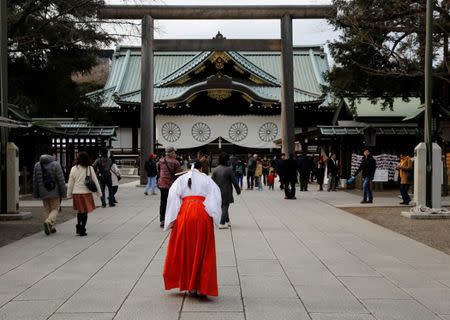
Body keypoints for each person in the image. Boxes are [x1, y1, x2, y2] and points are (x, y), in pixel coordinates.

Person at [163, 161, 222, 298]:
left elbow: (172, 198)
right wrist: (214, 217)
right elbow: (215, 198)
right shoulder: (207, 179)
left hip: (185, 214)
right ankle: (202, 286)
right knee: (203, 250)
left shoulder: (180, 179)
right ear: (201, 168)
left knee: (186, 250)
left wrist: (171, 220)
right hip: (202, 213)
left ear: (187, 168)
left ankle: (189, 285)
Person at [33, 147, 67, 235]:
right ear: (52, 155)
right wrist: (63, 192)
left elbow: (35, 181)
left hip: (42, 191)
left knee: (46, 209)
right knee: (55, 208)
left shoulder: (37, 165)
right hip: (54, 191)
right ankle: (49, 221)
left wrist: (36, 193)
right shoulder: (56, 164)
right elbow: (61, 180)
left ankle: (50, 227)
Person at [67, 151, 102, 236]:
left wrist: (69, 194)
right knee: (85, 212)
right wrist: (99, 193)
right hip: (86, 193)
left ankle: (79, 226)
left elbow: (70, 182)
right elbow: (95, 181)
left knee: (80, 211)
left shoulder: (74, 168)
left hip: (77, 193)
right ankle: (82, 228)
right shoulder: (90, 168)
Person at [211, 153, 241, 229]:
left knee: (223, 206)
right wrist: (238, 190)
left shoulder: (215, 169)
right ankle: (222, 223)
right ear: (227, 160)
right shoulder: (229, 170)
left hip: (217, 191)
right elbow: (234, 181)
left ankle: (228, 221)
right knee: (225, 206)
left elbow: (211, 182)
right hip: (226, 191)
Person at [158, 147, 182, 227]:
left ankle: (162, 220)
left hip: (161, 184)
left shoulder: (161, 160)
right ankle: (170, 220)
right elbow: (178, 175)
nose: (175, 154)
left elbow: (159, 171)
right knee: (171, 203)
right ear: (171, 153)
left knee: (163, 202)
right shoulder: (175, 162)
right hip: (171, 185)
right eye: (174, 152)